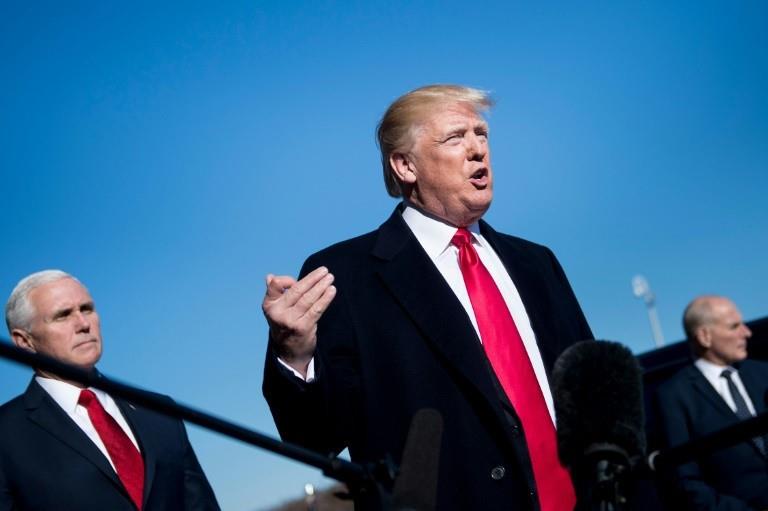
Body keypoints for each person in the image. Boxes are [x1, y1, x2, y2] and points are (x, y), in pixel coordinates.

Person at [262, 84, 593, 510]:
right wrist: (295, 354)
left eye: (482, 134)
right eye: (456, 137)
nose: (478, 150)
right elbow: (315, 437)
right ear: (405, 166)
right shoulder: (345, 275)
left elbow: (596, 402)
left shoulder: (537, 263)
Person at [0, 270, 220, 511]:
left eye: (86, 309)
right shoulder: (6, 434)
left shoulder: (160, 412)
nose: (83, 324)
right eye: (62, 315)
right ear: (24, 341)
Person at [656, 295, 768, 510]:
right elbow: (686, 483)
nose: (747, 332)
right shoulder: (674, 396)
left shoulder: (764, 373)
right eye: (734, 326)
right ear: (705, 337)